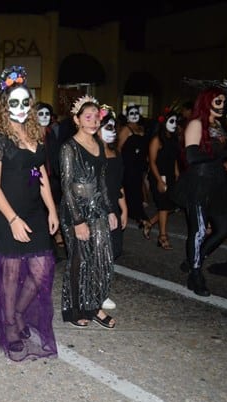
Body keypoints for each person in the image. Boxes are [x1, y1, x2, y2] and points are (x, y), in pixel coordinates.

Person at [0, 66, 59, 361]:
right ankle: (9, 323)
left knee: (41, 271)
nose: (21, 108)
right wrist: (12, 219)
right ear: (3, 105)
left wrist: (51, 208)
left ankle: (18, 313)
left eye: (26, 103)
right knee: (10, 274)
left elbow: (40, 174)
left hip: (34, 211)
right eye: (14, 103)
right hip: (5, 214)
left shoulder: (36, 134)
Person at [170, 86, 227, 297]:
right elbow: (191, 157)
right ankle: (195, 275)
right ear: (207, 102)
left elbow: (219, 152)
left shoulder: (218, 124)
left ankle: (193, 259)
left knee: (223, 229)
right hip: (198, 182)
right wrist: (221, 153)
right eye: (218, 101)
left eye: (224, 102)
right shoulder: (196, 124)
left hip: (217, 182)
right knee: (198, 231)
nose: (223, 106)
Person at [59, 95, 118, 329]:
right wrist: (77, 221)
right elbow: (65, 185)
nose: (93, 122)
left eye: (96, 117)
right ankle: (76, 308)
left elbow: (102, 181)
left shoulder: (99, 145)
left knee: (102, 260)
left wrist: (110, 209)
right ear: (77, 119)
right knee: (80, 260)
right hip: (77, 210)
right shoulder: (68, 147)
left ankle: (94, 304)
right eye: (88, 117)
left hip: (98, 208)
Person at [97, 104, 128, 311]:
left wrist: (124, 208)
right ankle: (97, 293)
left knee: (113, 251)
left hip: (113, 208)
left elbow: (119, 184)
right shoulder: (91, 153)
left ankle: (102, 289)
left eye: (113, 127)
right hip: (97, 208)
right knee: (99, 252)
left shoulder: (115, 153)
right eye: (107, 127)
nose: (112, 131)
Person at [147, 108, 181, 250]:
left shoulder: (173, 138)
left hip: (170, 175)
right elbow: (152, 161)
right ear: (164, 122)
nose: (174, 124)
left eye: (176, 121)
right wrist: (160, 181)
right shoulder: (157, 139)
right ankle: (162, 237)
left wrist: (177, 171)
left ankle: (149, 223)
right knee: (164, 206)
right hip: (159, 175)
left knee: (173, 205)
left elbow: (173, 157)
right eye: (171, 121)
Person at [118, 104, 151, 238]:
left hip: (139, 165)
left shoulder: (141, 128)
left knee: (137, 189)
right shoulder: (126, 129)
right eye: (131, 113)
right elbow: (119, 148)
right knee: (131, 190)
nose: (134, 116)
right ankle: (140, 217)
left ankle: (139, 216)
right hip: (128, 165)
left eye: (136, 113)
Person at [36, 101, 64, 248]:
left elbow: (54, 155)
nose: (45, 116)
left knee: (52, 207)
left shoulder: (50, 133)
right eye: (41, 114)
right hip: (35, 179)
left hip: (51, 178)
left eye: (47, 114)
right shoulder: (31, 134)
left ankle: (53, 235)